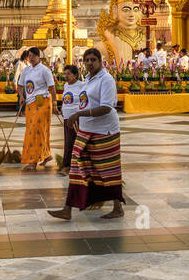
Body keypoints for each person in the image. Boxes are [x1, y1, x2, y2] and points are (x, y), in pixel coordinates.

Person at [49, 48, 124, 220]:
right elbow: (85, 102)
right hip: (86, 130)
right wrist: (76, 115)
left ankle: (118, 207)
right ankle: (67, 209)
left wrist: (79, 114)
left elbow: (107, 107)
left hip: (105, 131)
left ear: (100, 61)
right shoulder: (88, 80)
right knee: (76, 168)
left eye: (93, 60)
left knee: (107, 170)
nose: (89, 63)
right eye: (87, 60)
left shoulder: (106, 79)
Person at [15, 47, 57, 171]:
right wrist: (21, 97)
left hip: (42, 102)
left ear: (39, 57)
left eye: (34, 55)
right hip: (30, 103)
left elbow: (52, 88)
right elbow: (20, 85)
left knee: (36, 131)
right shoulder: (26, 70)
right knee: (33, 130)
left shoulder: (45, 70)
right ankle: (46, 155)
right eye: (30, 55)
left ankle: (33, 161)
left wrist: (55, 103)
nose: (31, 58)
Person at [58, 64, 84, 176]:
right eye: (65, 74)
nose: (66, 76)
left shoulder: (82, 85)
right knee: (67, 142)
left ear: (75, 75)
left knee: (71, 142)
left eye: (69, 74)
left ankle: (67, 166)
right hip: (66, 118)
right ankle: (71, 165)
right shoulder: (65, 86)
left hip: (75, 119)